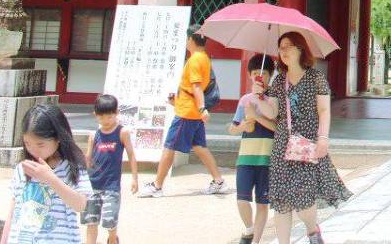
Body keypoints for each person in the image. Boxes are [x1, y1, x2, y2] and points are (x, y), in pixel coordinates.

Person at [255, 32, 351, 244]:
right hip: (283, 146)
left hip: (307, 144)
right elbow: (271, 113)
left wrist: (323, 138)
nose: (284, 51)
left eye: (288, 46)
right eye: (280, 48)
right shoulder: (279, 80)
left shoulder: (316, 78)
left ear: (300, 48)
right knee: (281, 201)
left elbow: (324, 110)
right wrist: (258, 96)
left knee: (305, 200)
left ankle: (312, 229)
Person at [140, 26, 228, 198]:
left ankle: (157, 185)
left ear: (191, 40)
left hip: (187, 112)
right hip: (191, 110)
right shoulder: (204, 58)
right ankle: (218, 181)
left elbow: (195, 86)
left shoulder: (195, 59)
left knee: (169, 147)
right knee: (200, 147)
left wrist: (202, 107)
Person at [2, 104, 91, 244]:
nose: (33, 150)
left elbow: (80, 205)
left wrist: (50, 178)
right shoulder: (22, 169)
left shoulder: (72, 168)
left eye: (40, 144)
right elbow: (12, 213)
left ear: (59, 138)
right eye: (27, 143)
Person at [228, 55, 278, 244]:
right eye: (256, 73)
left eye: (264, 73)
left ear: (270, 76)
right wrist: (244, 125)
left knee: (262, 204)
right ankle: (249, 228)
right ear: (249, 75)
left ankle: (255, 241)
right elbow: (233, 128)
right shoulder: (244, 100)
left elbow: (277, 128)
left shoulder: (273, 100)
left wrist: (256, 116)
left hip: (266, 159)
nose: (259, 77)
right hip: (245, 159)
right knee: (242, 200)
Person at [81, 94, 137, 244]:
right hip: (92, 185)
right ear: (96, 115)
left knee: (110, 221)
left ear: (116, 113)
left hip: (111, 186)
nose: (106, 121)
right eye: (101, 117)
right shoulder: (94, 135)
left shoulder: (122, 132)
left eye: (109, 117)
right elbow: (88, 158)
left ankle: (113, 239)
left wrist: (134, 178)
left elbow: (131, 155)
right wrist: (82, 180)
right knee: (90, 220)